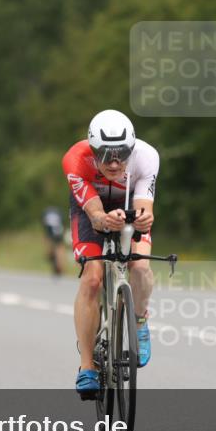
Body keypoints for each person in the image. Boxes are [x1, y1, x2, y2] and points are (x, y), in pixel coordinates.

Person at [62, 109, 158, 397]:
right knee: (92, 278)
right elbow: (94, 215)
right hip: (91, 207)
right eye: (106, 155)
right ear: (93, 151)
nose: (115, 163)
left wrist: (142, 219)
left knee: (140, 267)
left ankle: (139, 320)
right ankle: (87, 366)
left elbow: (145, 208)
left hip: (128, 201)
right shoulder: (76, 159)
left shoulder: (146, 156)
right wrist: (104, 219)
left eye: (122, 154)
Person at [42, 206, 65, 276]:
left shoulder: (46, 213)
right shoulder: (58, 213)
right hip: (59, 231)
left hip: (51, 231)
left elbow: (44, 225)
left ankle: (50, 255)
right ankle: (60, 265)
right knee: (59, 247)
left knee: (50, 245)